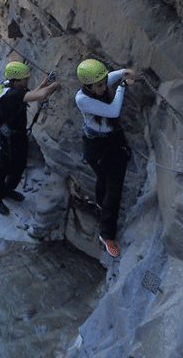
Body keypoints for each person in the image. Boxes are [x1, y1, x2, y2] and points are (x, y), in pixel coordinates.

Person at [74, 58, 137, 257]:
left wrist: (124, 72)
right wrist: (122, 87)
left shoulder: (96, 85)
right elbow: (113, 110)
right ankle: (107, 234)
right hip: (98, 146)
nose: (103, 87)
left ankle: (102, 207)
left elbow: (110, 77)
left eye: (103, 83)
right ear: (88, 86)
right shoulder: (82, 98)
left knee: (105, 181)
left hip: (107, 140)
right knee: (113, 188)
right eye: (99, 85)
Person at [0, 61, 61, 216]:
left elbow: (33, 93)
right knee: (3, 168)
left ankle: (8, 190)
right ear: (15, 80)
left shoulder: (14, 87)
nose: (27, 80)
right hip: (7, 138)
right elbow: (40, 95)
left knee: (20, 165)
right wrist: (54, 86)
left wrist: (45, 83)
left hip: (18, 135)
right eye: (24, 78)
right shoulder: (12, 95)